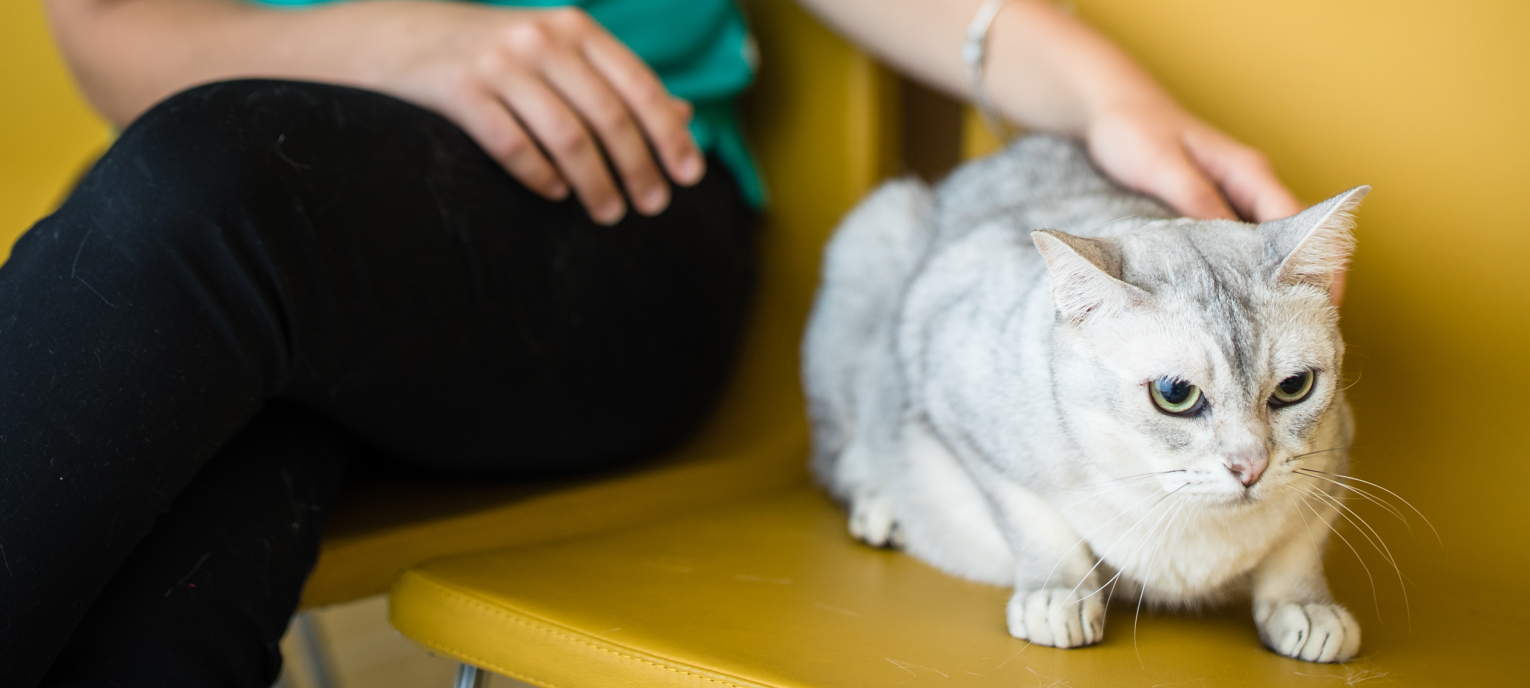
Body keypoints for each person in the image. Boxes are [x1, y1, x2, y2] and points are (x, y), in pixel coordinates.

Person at [3, 0, 1308, 684]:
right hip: (250, 258)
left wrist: (1108, 102)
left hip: (608, 225)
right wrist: (398, 39)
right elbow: (113, 27)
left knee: (203, 190)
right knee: (196, 501)